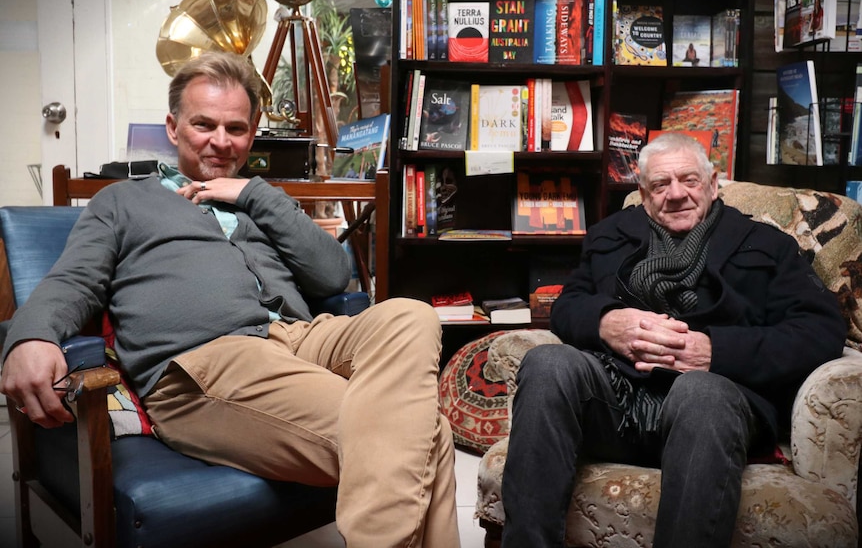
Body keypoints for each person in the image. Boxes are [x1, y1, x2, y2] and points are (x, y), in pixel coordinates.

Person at [0, 51, 460, 548]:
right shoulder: (122, 201)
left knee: (409, 314)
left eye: (236, 128)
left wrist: (254, 194)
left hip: (301, 338)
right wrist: (30, 334)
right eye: (204, 124)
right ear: (174, 127)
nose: (221, 141)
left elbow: (332, 273)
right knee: (427, 434)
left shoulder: (254, 201)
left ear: (253, 130)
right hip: (209, 361)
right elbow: (73, 279)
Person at [500, 132, 846, 547]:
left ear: (713, 183)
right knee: (547, 363)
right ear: (644, 195)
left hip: (717, 409)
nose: (676, 194)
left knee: (699, 391)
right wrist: (606, 321)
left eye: (689, 180)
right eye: (661, 185)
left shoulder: (768, 245)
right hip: (618, 403)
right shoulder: (609, 236)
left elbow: (821, 330)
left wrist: (716, 351)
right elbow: (568, 305)